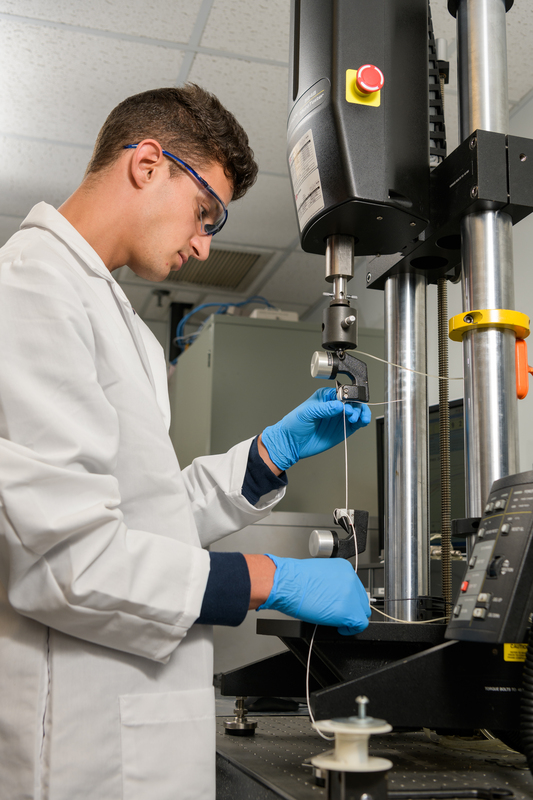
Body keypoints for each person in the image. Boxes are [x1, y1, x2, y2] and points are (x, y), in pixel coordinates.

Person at [0, 85, 371, 800]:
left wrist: (269, 455)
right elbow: (67, 562)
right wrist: (272, 578)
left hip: (128, 728)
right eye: (206, 212)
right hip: (78, 750)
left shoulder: (117, 319)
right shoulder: (30, 290)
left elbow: (145, 517)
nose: (204, 244)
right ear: (147, 164)